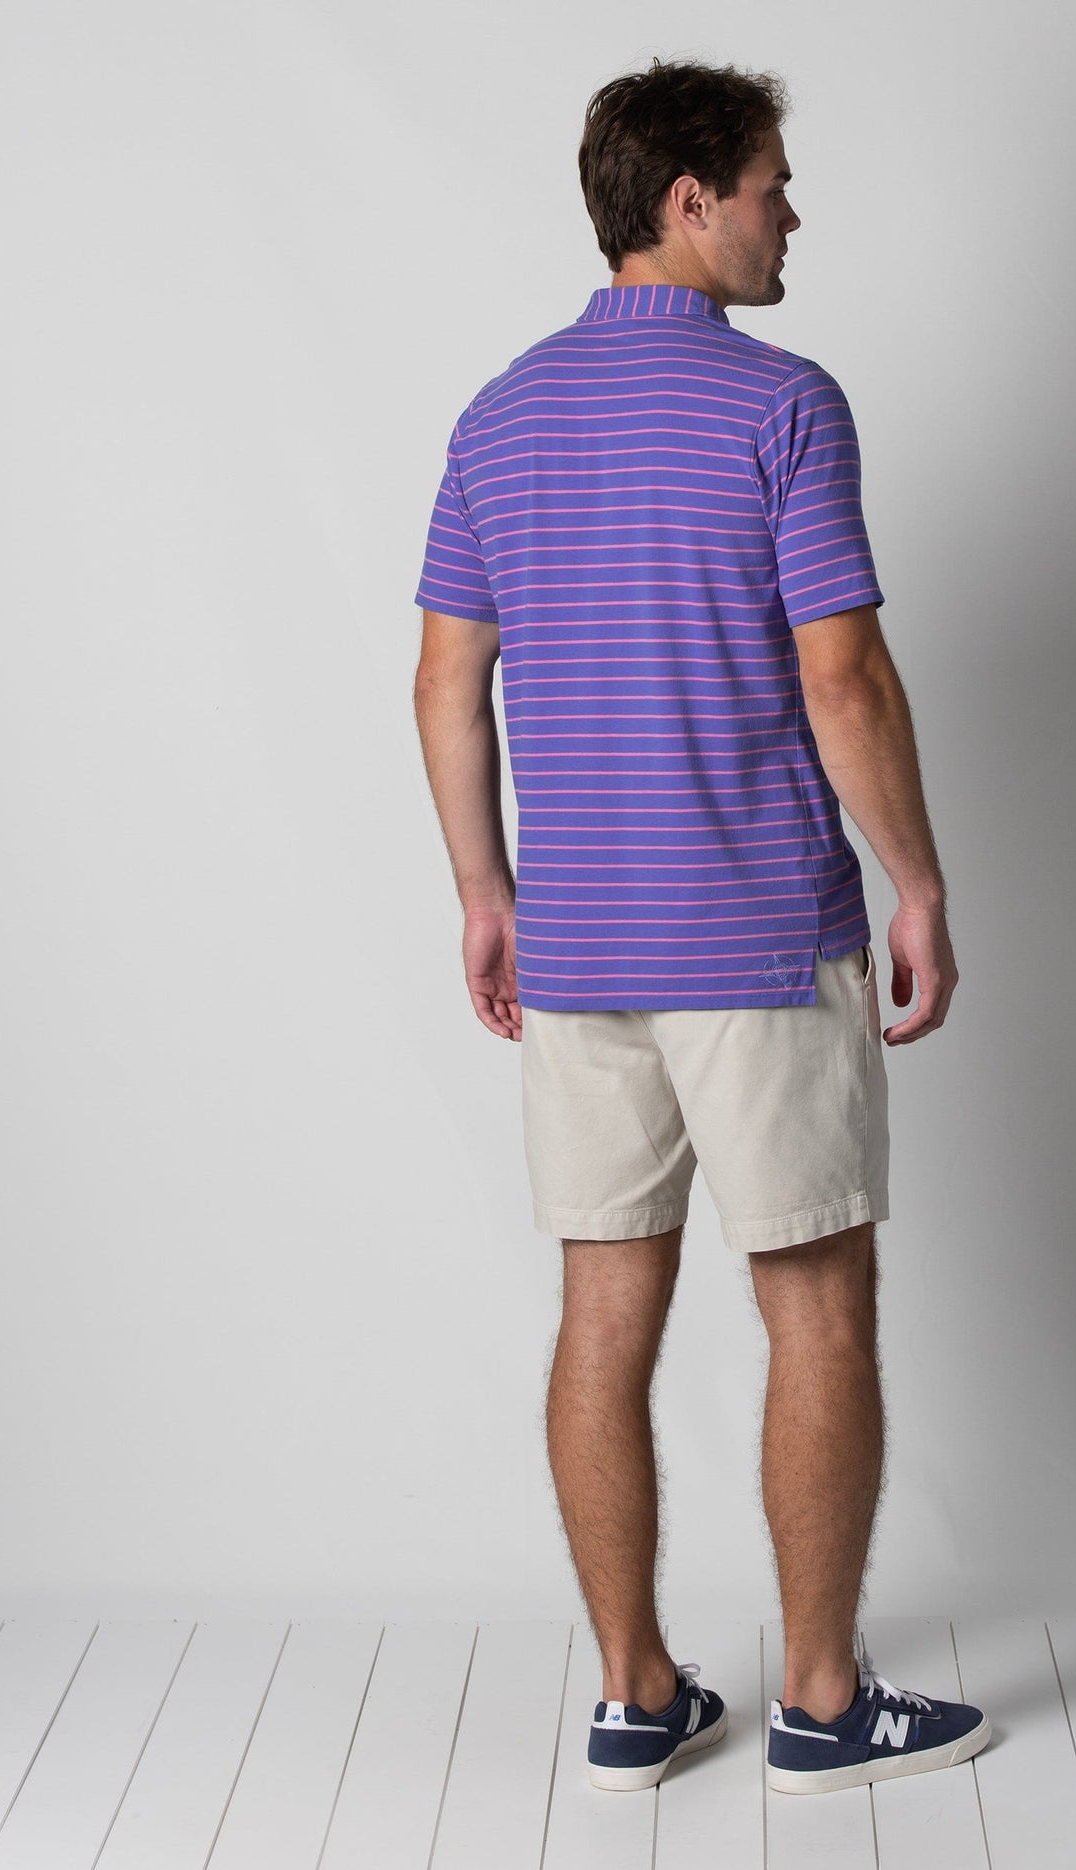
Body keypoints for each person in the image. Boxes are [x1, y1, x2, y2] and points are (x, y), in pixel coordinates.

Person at [410, 57, 991, 1796]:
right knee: (817, 1307)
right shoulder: (782, 404)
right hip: (755, 940)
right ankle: (818, 1699)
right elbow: (843, 674)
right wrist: (918, 881)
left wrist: (487, 893)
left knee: (602, 1314)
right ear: (688, 201)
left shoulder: (497, 415)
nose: (789, 214)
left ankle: (633, 1694)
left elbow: (444, 682)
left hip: (580, 952)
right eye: (767, 185)